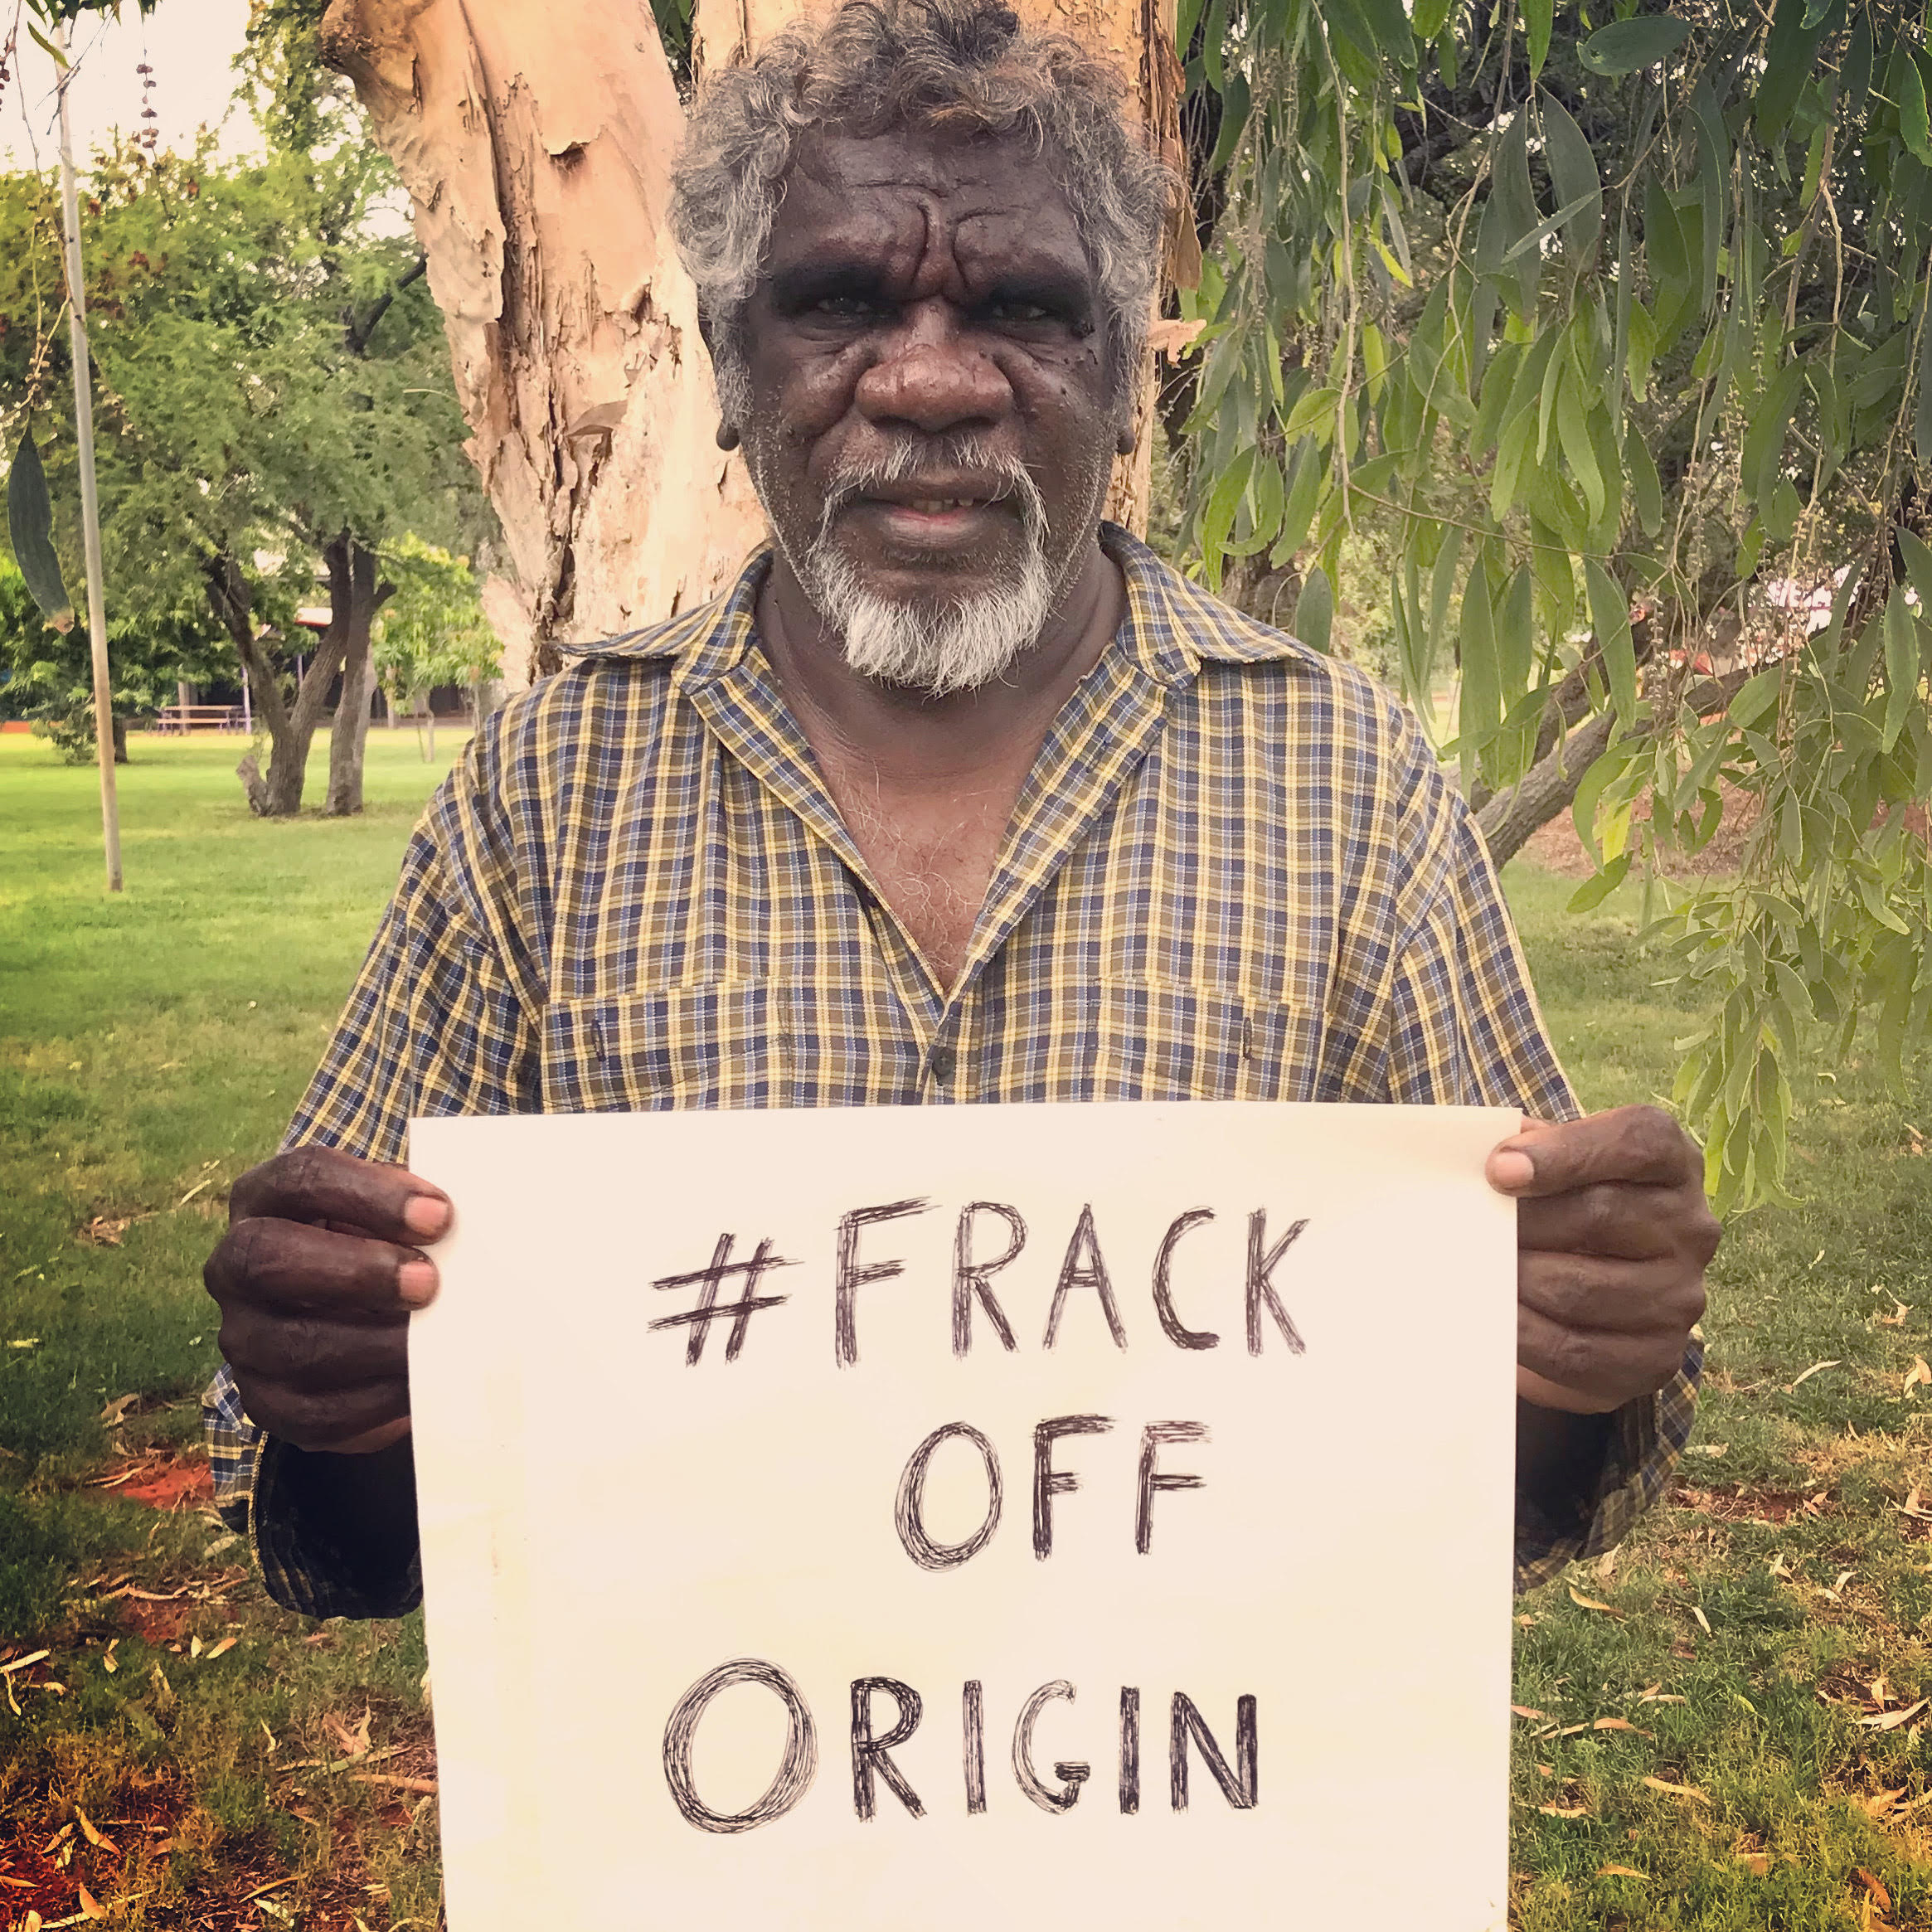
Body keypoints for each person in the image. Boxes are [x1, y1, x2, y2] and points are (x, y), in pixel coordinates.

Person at [201, 0, 1716, 1622]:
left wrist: (1576, 1353)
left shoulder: (1349, 785)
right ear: (727, 366)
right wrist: (332, 1386)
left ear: (1128, 381)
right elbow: (353, 1526)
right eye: (839, 300)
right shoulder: (542, 799)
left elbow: (1517, 1466)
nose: (929, 378)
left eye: (1024, 309)